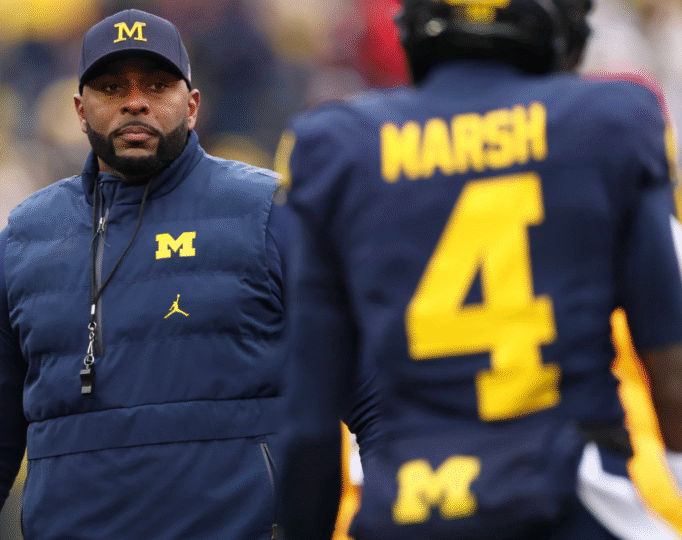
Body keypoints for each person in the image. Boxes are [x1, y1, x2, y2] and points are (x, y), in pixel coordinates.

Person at [0, 8, 383, 540]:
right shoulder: (20, 247)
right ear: (80, 110)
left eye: (157, 84)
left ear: (193, 105)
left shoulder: (273, 218)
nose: (134, 100)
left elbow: (379, 402)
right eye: (111, 87)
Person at [278, 0, 682, 539]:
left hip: (410, 506)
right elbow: (673, 378)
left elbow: (309, 425)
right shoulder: (607, 122)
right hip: (568, 498)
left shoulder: (339, 147)